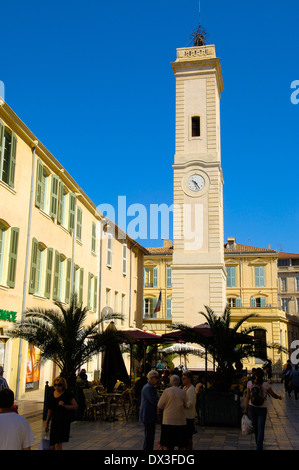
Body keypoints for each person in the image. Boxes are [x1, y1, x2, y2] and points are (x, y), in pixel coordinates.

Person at [244, 367, 282, 450]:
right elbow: (273, 394)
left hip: (252, 407)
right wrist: (279, 397)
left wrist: (245, 409)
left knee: (256, 428)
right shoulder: (265, 384)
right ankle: (259, 447)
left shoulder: (250, 383)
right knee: (261, 428)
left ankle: (258, 443)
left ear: (254, 375)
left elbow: (247, 397)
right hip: (262, 408)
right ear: (263, 375)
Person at [45, 376, 78, 450]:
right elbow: (49, 410)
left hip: (63, 422)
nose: (57, 387)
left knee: (58, 443)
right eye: (55, 385)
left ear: (63, 385)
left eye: (59, 385)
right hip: (54, 422)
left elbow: (75, 406)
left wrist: (64, 406)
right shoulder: (51, 395)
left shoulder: (67, 394)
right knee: (52, 445)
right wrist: (47, 423)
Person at [158, 374, 188, 450]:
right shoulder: (183, 392)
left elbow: (160, 405)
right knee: (181, 445)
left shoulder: (166, 391)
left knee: (167, 445)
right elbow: (186, 405)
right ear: (179, 382)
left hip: (168, 421)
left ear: (170, 382)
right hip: (180, 421)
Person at [139, 370, 159, 451]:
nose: (157, 380)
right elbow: (153, 401)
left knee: (150, 435)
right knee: (149, 436)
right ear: (151, 378)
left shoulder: (152, 388)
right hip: (148, 414)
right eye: (156, 378)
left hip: (150, 414)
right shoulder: (148, 388)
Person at [182, 371, 197, 449]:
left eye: (184, 378)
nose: (183, 380)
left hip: (189, 416)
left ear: (189, 379)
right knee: (185, 436)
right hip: (184, 416)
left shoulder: (191, 389)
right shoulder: (184, 388)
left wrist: (183, 404)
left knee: (188, 436)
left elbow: (191, 403)